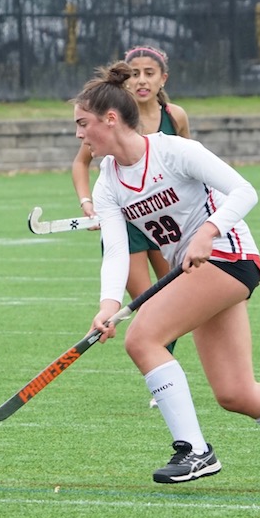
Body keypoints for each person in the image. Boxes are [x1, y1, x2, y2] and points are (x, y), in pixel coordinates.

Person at [73, 61, 260, 488]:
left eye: (83, 124)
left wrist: (208, 232)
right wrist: (107, 304)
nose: (79, 135)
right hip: (197, 273)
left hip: (230, 258)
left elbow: (246, 191)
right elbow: (117, 249)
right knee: (235, 392)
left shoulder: (175, 151)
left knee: (142, 338)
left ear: (111, 119)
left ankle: (193, 452)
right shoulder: (107, 183)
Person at [72, 45, 190, 407]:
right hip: (126, 223)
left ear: (162, 79)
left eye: (149, 73)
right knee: (150, 303)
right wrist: (90, 204)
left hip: (162, 219)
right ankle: (165, 375)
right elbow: (82, 164)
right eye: (135, 73)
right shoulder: (108, 120)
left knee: (177, 294)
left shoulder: (175, 116)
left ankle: (163, 365)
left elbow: (186, 167)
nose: (141, 80)